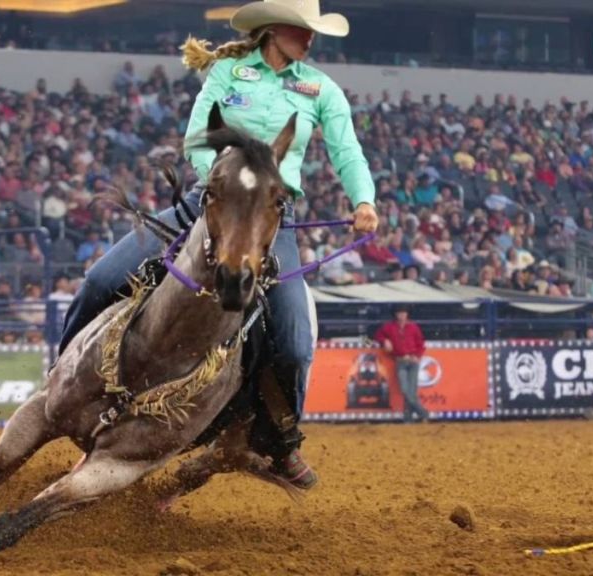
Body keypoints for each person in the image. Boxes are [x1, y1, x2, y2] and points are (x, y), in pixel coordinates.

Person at [57, 0, 379, 490]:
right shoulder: (228, 73)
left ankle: (280, 442)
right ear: (273, 29)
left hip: (270, 220)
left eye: (312, 30)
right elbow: (197, 139)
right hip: (208, 204)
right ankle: (62, 382)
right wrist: (224, 191)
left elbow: (347, 150)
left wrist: (364, 200)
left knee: (294, 342)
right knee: (102, 279)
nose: (310, 38)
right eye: (301, 29)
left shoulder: (322, 90)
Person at [374, 304, 429, 423]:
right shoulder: (389, 327)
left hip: (411, 361)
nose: (402, 315)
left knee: (410, 391)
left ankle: (408, 418)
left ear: (407, 314)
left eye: (403, 313)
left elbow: (421, 344)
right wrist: (384, 340)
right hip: (401, 360)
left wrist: (417, 356)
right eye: (399, 313)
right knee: (406, 390)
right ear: (396, 315)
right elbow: (378, 335)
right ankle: (422, 413)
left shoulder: (413, 327)